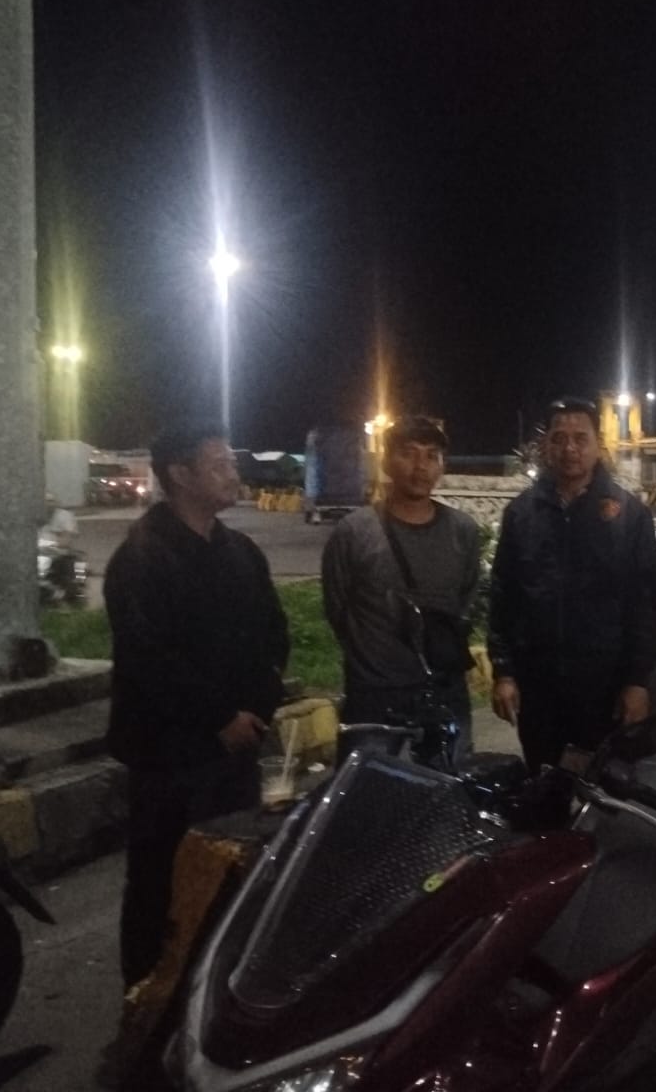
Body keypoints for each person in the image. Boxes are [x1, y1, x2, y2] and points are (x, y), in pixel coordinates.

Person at [103, 423, 287, 987]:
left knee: (232, 876)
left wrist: (255, 711)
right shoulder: (140, 559)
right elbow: (149, 658)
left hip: (236, 752)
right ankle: (147, 1000)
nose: (233, 473)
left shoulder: (241, 552)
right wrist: (219, 718)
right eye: (219, 465)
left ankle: (213, 993)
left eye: (231, 462)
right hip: (168, 758)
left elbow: (273, 637)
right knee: (160, 881)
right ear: (180, 475)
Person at [488, 397, 656, 771]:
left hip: (606, 690)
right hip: (539, 690)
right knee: (543, 783)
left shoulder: (629, 515)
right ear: (545, 445)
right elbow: (504, 596)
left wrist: (637, 681)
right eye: (559, 438)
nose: (569, 448)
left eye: (580, 438)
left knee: (600, 790)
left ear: (598, 444)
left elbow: (646, 603)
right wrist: (504, 671)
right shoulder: (521, 514)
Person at [322, 416, 482, 758]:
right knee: (372, 788)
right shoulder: (354, 532)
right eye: (408, 453)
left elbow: (465, 599)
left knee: (448, 787)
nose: (420, 466)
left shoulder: (463, 531)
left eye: (431, 455)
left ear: (442, 466)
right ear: (386, 462)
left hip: (444, 694)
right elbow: (337, 608)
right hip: (375, 698)